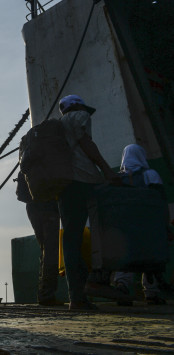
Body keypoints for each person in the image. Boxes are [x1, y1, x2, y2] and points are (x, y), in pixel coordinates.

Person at [56, 95, 123, 311]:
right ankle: (99, 282)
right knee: (103, 232)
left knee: (71, 238)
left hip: (64, 185)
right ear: (78, 105)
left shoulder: (58, 126)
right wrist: (106, 169)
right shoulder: (80, 115)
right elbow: (86, 142)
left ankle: (76, 297)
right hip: (84, 180)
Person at [112, 143, 173, 305]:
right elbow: (161, 201)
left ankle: (122, 287)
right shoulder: (150, 174)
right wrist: (165, 224)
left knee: (125, 256)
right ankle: (151, 293)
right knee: (150, 256)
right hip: (148, 224)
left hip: (124, 225)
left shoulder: (117, 177)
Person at [15, 175, 64, 306]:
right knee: (50, 249)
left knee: (45, 248)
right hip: (47, 202)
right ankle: (47, 294)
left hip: (32, 203)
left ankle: (44, 293)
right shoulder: (51, 154)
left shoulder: (25, 154)